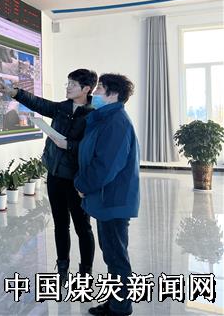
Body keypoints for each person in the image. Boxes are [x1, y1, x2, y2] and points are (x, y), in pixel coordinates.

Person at [0, 69, 98, 283]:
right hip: (55, 175)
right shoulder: (61, 108)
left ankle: (85, 272)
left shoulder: (94, 115)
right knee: (60, 224)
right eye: (68, 83)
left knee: (83, 227)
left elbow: (93, 147)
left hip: (77, 178)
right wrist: (15, 93)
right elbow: (39, 104)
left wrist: (68, 145)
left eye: (73, 84)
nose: (68, 87)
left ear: (86, 89)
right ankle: (62, 268)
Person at [74, 73, 140, 316]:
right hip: (108, 200)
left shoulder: (116, 123)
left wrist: (82, 184)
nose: (95, 93)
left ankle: (120, 308)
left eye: (100, 88)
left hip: (113, 201)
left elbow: (105, 166)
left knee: (116, 256)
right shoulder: (106, 119)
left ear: (114, 94)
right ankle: (116, 302)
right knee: (113, 254)